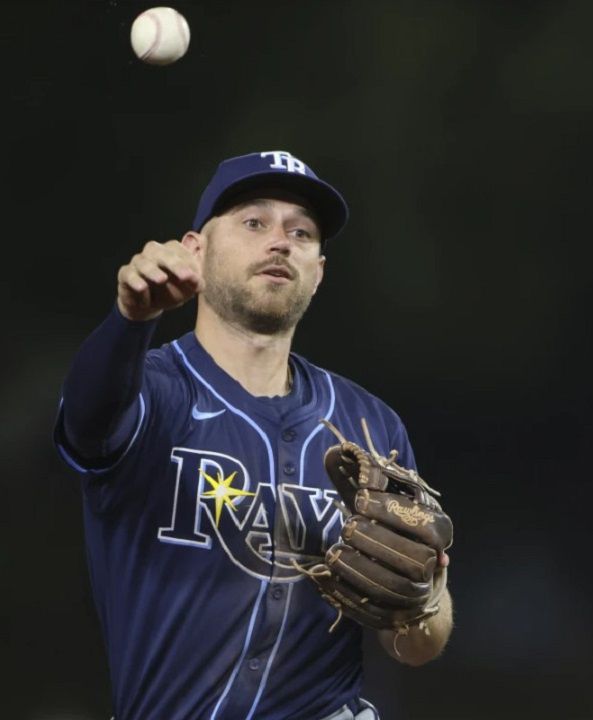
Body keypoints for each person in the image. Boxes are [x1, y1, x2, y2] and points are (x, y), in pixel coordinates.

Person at [54, 150, 453, 720]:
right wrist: (130, 320)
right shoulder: (151, 391)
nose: (281, 241)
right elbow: (87, 419)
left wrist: (426, 599)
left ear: (317, 271)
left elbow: (416, 646)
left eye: (302, 232)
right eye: (253, 222)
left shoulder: (370, 424)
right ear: (197, 248)